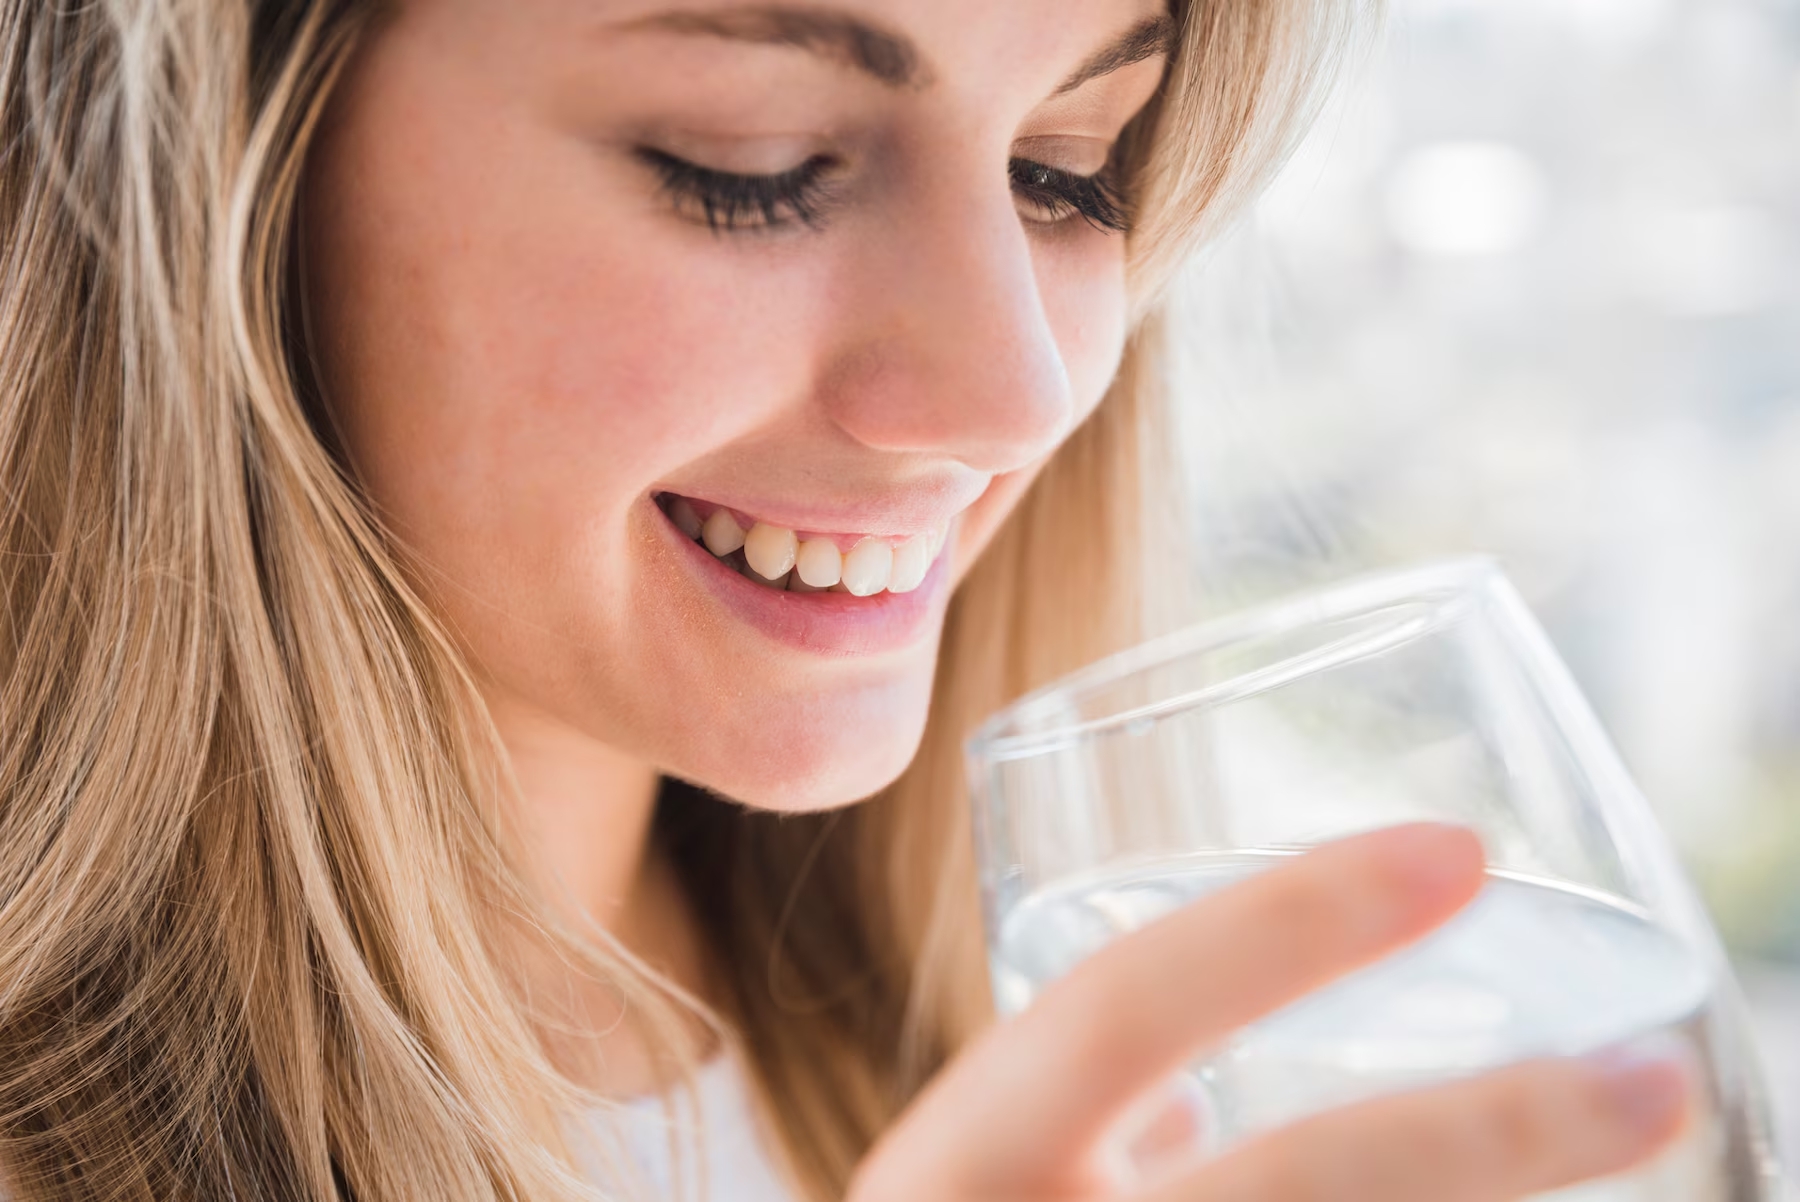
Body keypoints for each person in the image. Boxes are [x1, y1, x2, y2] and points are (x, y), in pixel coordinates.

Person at [0, 2, 1690, 1200]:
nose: (1015, 389)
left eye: (1067, 169)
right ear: (224, 165)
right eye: (759, 163)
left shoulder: (1077, 1061)